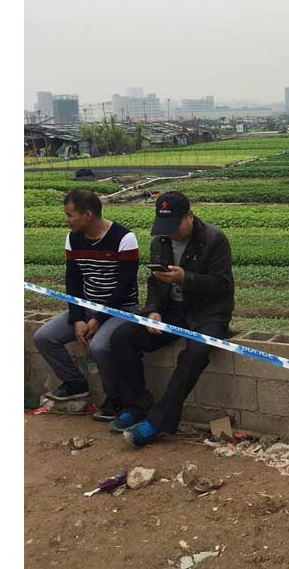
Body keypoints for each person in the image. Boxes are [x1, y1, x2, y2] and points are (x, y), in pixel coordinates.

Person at [108, 192, 234, 447]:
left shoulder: (214, 239)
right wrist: (153, 311)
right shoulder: (160, 241)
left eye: (176, 226)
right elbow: (155, 281)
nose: (172, 233)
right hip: (172, 310)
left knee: (195, 353)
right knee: (122, 338)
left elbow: (222, 285)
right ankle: (137, 405)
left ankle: (157, 422)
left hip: (209, 313)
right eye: (166, 227)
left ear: (190, 216)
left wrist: (185, 278)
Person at [33, 189, 139, 420]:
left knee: (100, 346)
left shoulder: (124, 238)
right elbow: (73, 281)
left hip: (121, 309)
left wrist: (97, 319)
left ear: (87, 215)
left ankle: (116, 398)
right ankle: (75, 383)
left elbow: (125, 287)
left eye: (70, 215)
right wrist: (78, 317)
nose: (67, 220)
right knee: (44, 337)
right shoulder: (73, 238)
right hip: (87, 307)